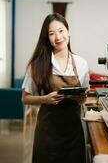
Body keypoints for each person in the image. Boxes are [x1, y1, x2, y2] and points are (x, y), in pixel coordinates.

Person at [22, 13, 89, 163]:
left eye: (61, 30)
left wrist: (81, 98)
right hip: (47, 135)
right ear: (47, 38)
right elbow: (25, 98)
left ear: (68, 31)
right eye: (51, 33)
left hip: (73, 133)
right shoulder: (37, 65)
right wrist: (45, 99)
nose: (58, 37)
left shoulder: (81, 63)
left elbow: (84, 97)